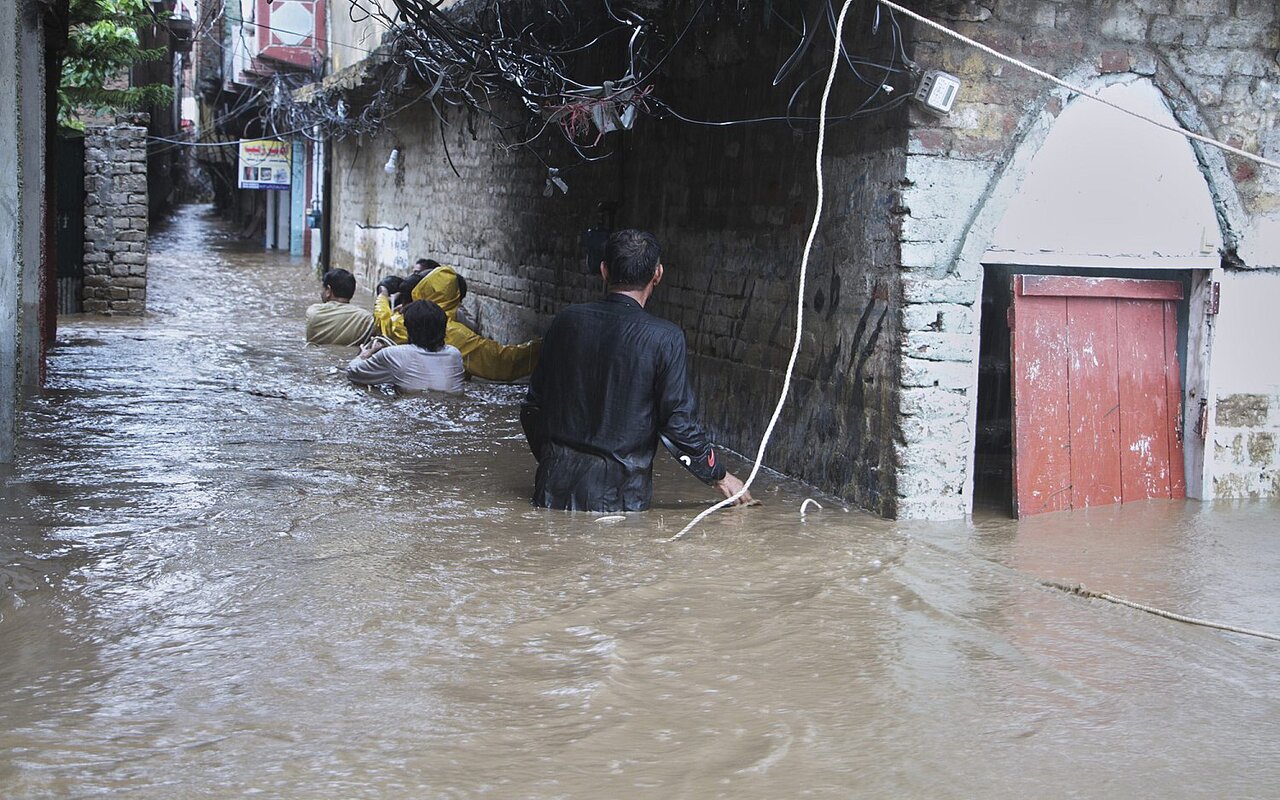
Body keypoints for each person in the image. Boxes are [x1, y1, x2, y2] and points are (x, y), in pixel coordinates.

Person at [520, 229, 752, 512]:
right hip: (621, 500)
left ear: (603, 271)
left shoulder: (565, 323)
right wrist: (719, 475)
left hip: (551, 490)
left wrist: (553, 462)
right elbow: (677, 424)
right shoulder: (665, 338)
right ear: (658, 274)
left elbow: (532, 407)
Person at [398, 264, 541, 382]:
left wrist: (383, 297)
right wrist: (545, 345)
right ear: (455, 297)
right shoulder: (457, 335)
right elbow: (502, 362)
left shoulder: (399, 321)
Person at [346, 299, 464, 394]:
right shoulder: (455, 354)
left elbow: (353, 373)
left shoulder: (393, 354)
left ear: (409, 329)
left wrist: (364, 355)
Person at [306, 268, 375, 345]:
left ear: (328, 290)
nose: (321, 292)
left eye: (323, 289)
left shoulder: (313, 312)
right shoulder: (366, 318)